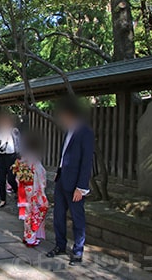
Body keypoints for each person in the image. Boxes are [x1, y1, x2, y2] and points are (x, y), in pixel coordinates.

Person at [46, 97, 94, 266]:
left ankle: (78, 251)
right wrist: (58, 173)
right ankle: (60, 245)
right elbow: (65, 156)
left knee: (77, 217)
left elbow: (86, 161)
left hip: (75, 184)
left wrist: (81, 187)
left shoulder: (85, 132)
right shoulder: (68, 131)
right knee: (58, 215)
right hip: (62, 180)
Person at [13, 133, 48, 247]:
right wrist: (42, 187)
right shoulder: (34, 160)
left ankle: (27, 236)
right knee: (36, 212)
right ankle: (31, 238)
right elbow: (41, 175)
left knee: (28, 214)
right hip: (34, 190)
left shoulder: (23, 159)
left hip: (25, 189)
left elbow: (17, 176)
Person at [0, 114, 20, 208]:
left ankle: (17, 191)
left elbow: (18, 143)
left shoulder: (14, 131)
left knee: (11, 178)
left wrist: (20, 156)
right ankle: (2, 199)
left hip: (12, 156)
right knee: (1, 179)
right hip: (2, 157)